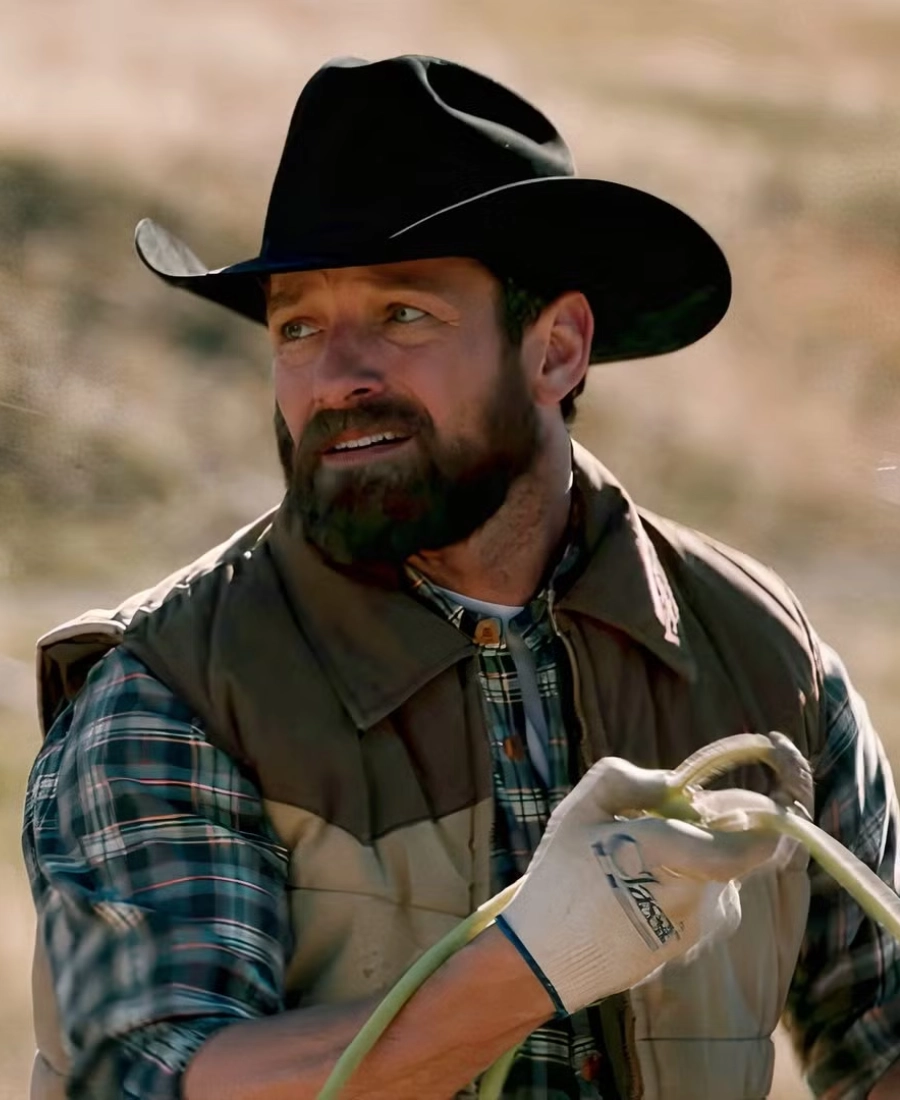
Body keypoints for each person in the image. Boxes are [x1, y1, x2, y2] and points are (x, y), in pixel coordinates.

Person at [21, 54, 900, 1100]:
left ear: (557, 350)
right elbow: (144, 1077)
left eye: (403, 315)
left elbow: (882, 1040)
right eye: (297, 326)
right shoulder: (175, 690)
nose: (337, 375)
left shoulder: (764, 657)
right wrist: (535, 962)